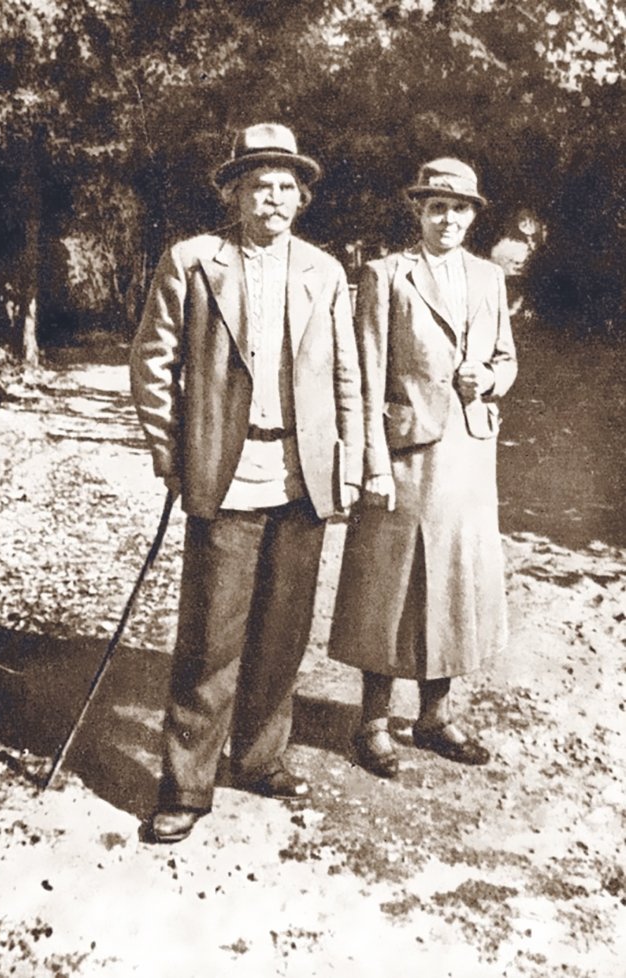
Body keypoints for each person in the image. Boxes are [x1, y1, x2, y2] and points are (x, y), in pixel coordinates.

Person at [130, 123, 363, 842]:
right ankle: (186, 787)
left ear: (302, 198)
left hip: (302, 476)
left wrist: (350, 462)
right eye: (260, 185)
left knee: (282, 634)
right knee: (210, 639)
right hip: (226, 476)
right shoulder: (194, 261)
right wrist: (173, 455)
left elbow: (347, 375)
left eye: (287, 187)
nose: (275, 198)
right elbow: (152, 364)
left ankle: (260, 758)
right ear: (233, 194)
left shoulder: (324, 271)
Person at [330, 158, 517, 777]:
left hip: (468, 454)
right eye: (437, 207)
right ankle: (373, 723)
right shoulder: (386, 274)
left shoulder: (489, 278)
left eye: (459, 208)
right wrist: (373, 463)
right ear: (418, 210)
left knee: (455, 583)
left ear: (472, 216)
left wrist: (488, 378)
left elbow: (507, 359)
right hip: (404, 454)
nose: (448, 219)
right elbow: (364, 374)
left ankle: (435, 717)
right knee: (390, 585)